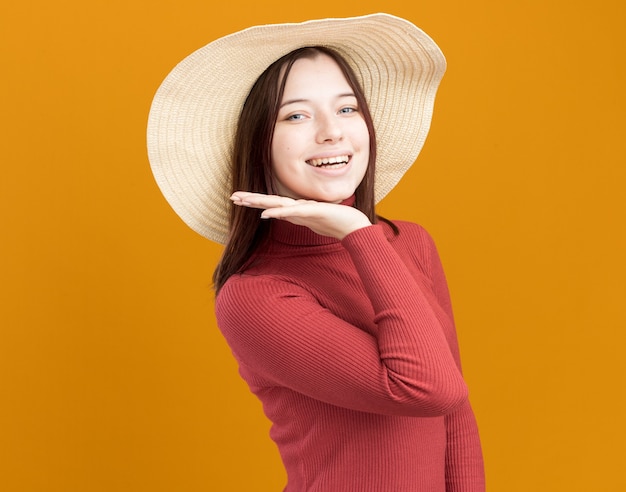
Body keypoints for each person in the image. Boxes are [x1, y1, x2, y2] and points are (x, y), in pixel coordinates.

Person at [148, 13, 485, 491]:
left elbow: (457, 415)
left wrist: (363, 236)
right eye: (296, 115)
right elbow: (428, 388)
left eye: (347, 109)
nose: (332, 132)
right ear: (257, 144)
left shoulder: (409, 244)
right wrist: (358, 232)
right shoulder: (255, 297)